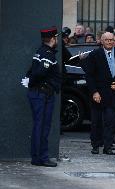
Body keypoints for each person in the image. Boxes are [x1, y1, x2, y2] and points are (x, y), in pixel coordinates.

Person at [25, 27, 61, 167]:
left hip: (39, 93)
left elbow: (31, 71)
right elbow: (39, 72)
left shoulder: (41, 51)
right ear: (52, 39)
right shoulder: (47, 54)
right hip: (42, 94)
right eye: (56, 38)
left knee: (39, 126)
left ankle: (37, 157)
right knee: (42, 127)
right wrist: (34, 82)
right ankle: (42, 158)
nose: (57, 40)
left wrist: (30, 81)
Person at [84, 32, 115, 155]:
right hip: (98, 94)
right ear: (102, 41)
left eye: (111, 40)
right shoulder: (94, 55)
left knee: (110, 121)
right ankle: (95, 145)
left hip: (112, 94)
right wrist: (94, 92)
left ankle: (108, 146)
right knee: (96, 121)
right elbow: (89, 76)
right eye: (107, 40)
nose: (110, 42)